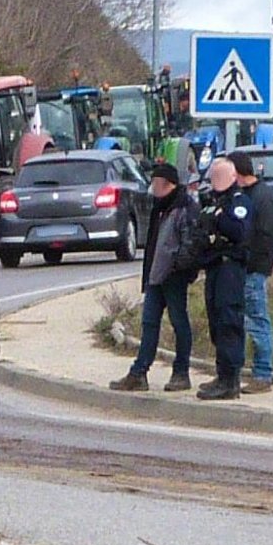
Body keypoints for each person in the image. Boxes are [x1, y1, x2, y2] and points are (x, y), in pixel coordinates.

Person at [111, 162, 200, 393]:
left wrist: (175, 267)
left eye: (155, 184)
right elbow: (152, 244)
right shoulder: (159, 207)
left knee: (179, 323)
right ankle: (139, 373)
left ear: (166, 185)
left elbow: (190, 245)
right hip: (155, 276)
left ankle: (181, 372)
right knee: (149, 324)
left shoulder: (185, 208)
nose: (152, 188)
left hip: (173, 277)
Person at [198, 159, 253, 401]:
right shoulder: (213, 201)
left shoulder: (239, 202)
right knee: (216, 321)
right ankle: (222, 374)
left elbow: (239, 232)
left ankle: (231, 380)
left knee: (229, 320)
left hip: (230, 268)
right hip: (214, 267)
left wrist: (219, 219)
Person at [231, 152, 273, 394]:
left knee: (258, 319)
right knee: (246, 320)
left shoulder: (262, 197)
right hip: (243, 268)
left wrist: (251, 261)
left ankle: (263, 374)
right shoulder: (246, 195)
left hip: (254, 269)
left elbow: (265, 236)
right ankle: (250, 371)